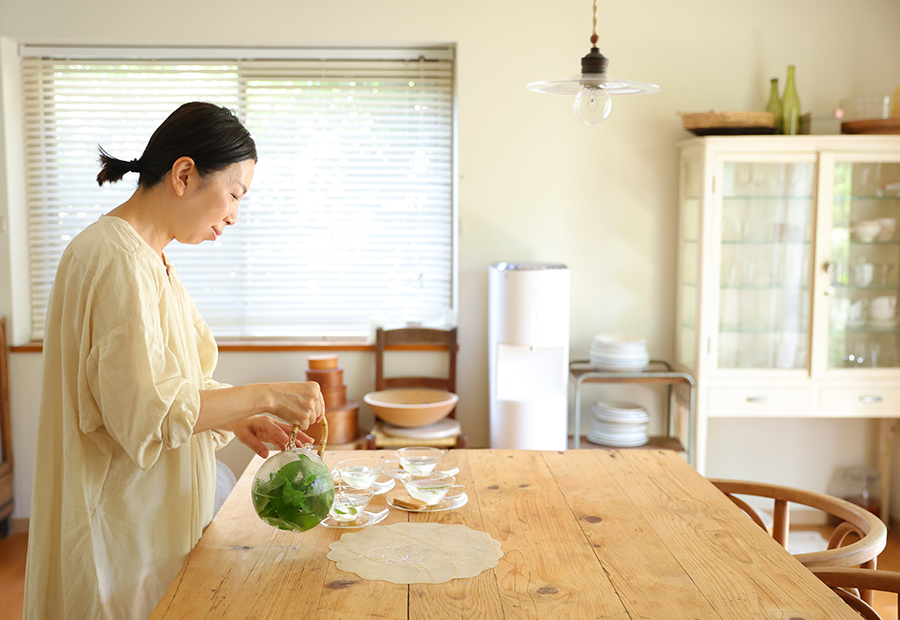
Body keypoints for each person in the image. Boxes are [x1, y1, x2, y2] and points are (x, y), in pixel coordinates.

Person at [23, 102, 325, 619]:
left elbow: (172, 385)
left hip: (149, 526)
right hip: (117, 536)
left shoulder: (150, 258)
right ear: (184, 174)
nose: (233, 214)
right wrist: (267, 395)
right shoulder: (114, 258)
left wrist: (240, 415)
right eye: (234, 194)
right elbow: (147, 412)